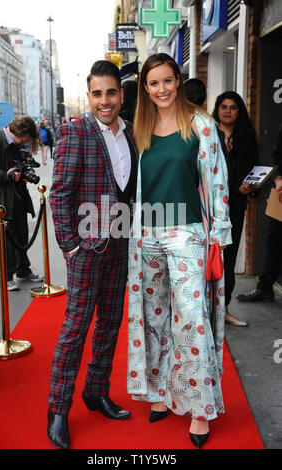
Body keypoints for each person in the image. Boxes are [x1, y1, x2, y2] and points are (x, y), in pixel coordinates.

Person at [127, 53, 232, 449]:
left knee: (191, 318)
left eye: (167, 81)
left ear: (178, 80)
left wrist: (218, 239)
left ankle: (201, 410)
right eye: (153, 84)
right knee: (153, 319)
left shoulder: (202, 125)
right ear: (145, 88)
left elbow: (217, 183)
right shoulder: (142, 127)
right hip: (147, 236)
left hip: (187, 233)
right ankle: (158, 392)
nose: (162, 89)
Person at [47, 60, 138, 449]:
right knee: (76, 328)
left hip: (120, 243)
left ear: (121, 94)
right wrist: (70, 246)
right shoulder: (74, 132)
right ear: (89, 96)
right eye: (97, 93)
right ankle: (57, 408)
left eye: (111, 92)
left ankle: (96, 391)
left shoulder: (131, 132)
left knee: (110, 323)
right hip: (85, 249)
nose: (105, 101)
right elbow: (60, 195)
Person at [212, 91, 259, 326]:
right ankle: (205, 312)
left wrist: (250, 187)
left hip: (235, 209)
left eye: (233, 107)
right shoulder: (209, 134)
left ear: (239, 111)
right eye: (224, 106)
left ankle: (224, 310)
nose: (228, 111)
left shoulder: (246, 138)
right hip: (209, 211)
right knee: (208, 260)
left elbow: (255, 174)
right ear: (217, 109)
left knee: (228, 261)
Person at [0, 116, 42, 291]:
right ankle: (7, 276)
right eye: (25, 138)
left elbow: (19, 163)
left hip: (18, 195)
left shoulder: (16, 144)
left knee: (22, 235)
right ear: (19, 132)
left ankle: (23, 270)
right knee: (8, 240)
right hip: (1, 199)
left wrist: (24, 171)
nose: (26, 142)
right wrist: (4, 175)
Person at [237, 123, 282, 302]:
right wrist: (278, 179)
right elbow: (276, 154)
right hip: (280, 194)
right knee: (274, 240)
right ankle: (264, 288)